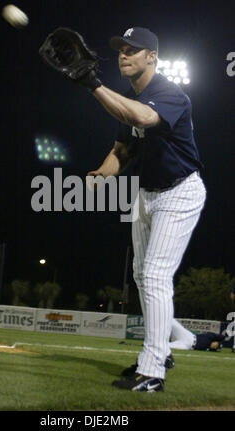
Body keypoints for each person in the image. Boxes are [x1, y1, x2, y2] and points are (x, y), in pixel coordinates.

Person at [81, 27, 207, 392]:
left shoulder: (170, 94)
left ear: (152, 56)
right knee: (141, 275)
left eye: (133, 50)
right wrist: (101, 174)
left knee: (154, 275)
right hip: (147, 194)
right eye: (121, 49)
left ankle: (152, 372)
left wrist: (92, 85)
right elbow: (123, 150)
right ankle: (165, 348)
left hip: (180, 192)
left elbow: (141, 119)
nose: (123, 54)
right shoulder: (128, 98)